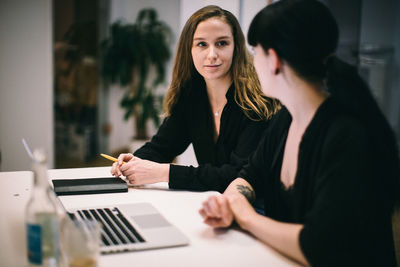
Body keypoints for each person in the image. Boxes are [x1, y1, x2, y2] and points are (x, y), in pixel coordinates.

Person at [199, 0, 400, 266]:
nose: (252, 62)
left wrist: (246, 217)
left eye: (255, 52)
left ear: (274, 60)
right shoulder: (286, 119)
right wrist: (230, 204)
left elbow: (318, 246)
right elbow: (249, 175)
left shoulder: (346, 135)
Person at [110, 5, 279, 192]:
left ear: (236, 47)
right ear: (189, 50)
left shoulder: (258, 101)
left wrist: (166, 172)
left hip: (257, 206)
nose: (212, 55)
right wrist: (134, 161)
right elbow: (161, 147)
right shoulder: (191, 95)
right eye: (202, 44)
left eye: (222, 43)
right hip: (210, 202)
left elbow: (239, 175)